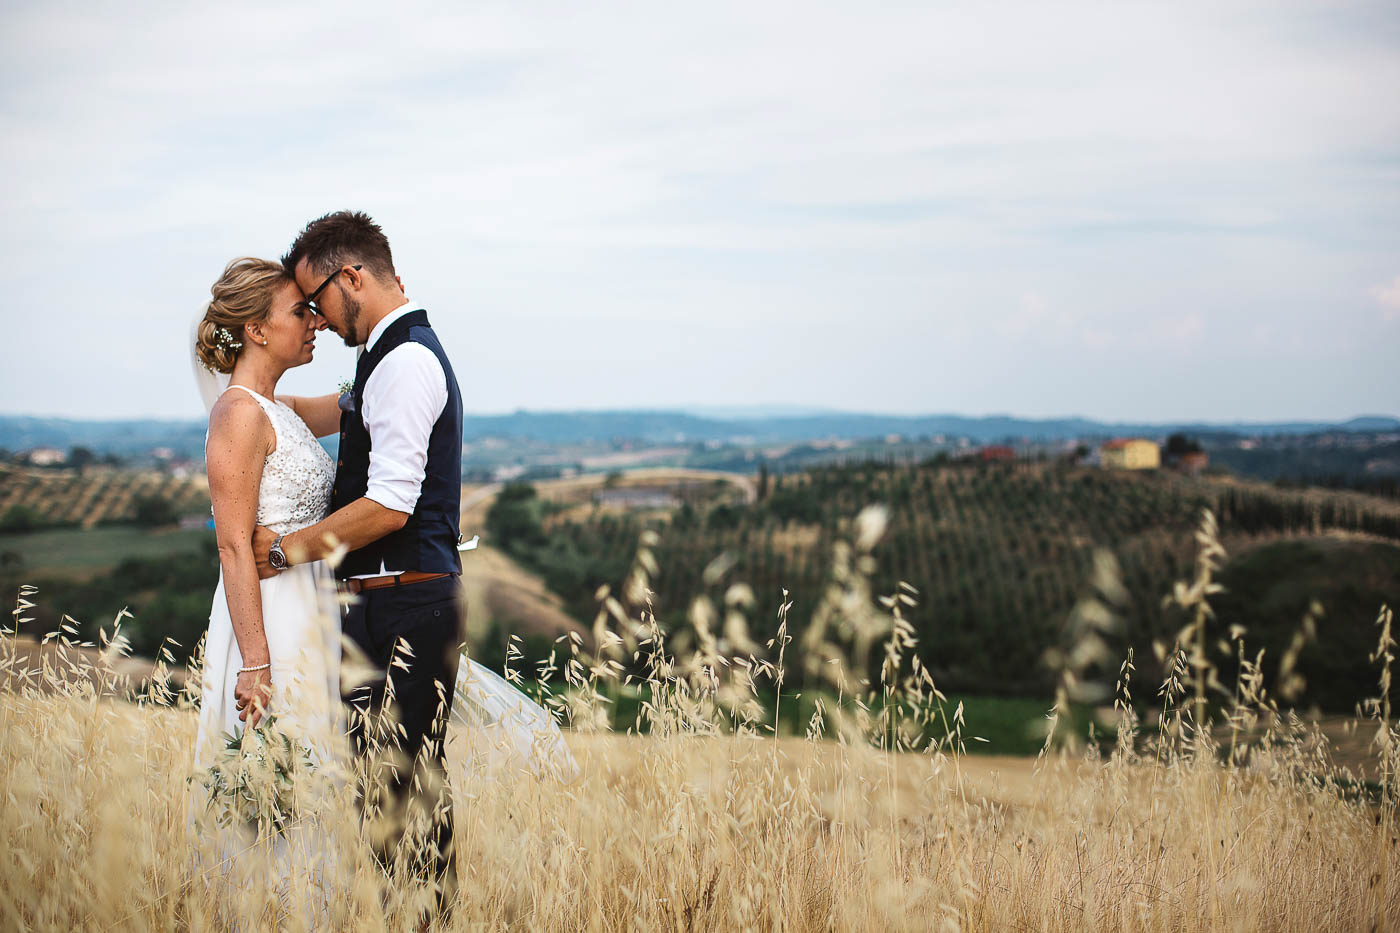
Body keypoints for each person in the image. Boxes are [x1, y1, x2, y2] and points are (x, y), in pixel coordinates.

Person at [252, 210, 466, 913]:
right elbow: (336, 416)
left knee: (404, 792)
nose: (316, 317)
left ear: (353, 277)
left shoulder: (405, 360)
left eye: (317, 301)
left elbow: (390, 506)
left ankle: (423, 921)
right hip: (382, 602)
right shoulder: (383, 355)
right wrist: (255, 398)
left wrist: (286, 549)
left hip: (405, 603)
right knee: (384, 795)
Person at [188, 256, 348, 911]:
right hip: (268, 619)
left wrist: (388, 332)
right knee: (273, 788)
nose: (314, 322)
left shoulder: (277, 407)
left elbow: (354, 404)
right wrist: (256, 660)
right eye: (300, 312)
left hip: (311, 609)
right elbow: (231, 543)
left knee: (315, 782)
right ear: (256, 328)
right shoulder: (238, 413)